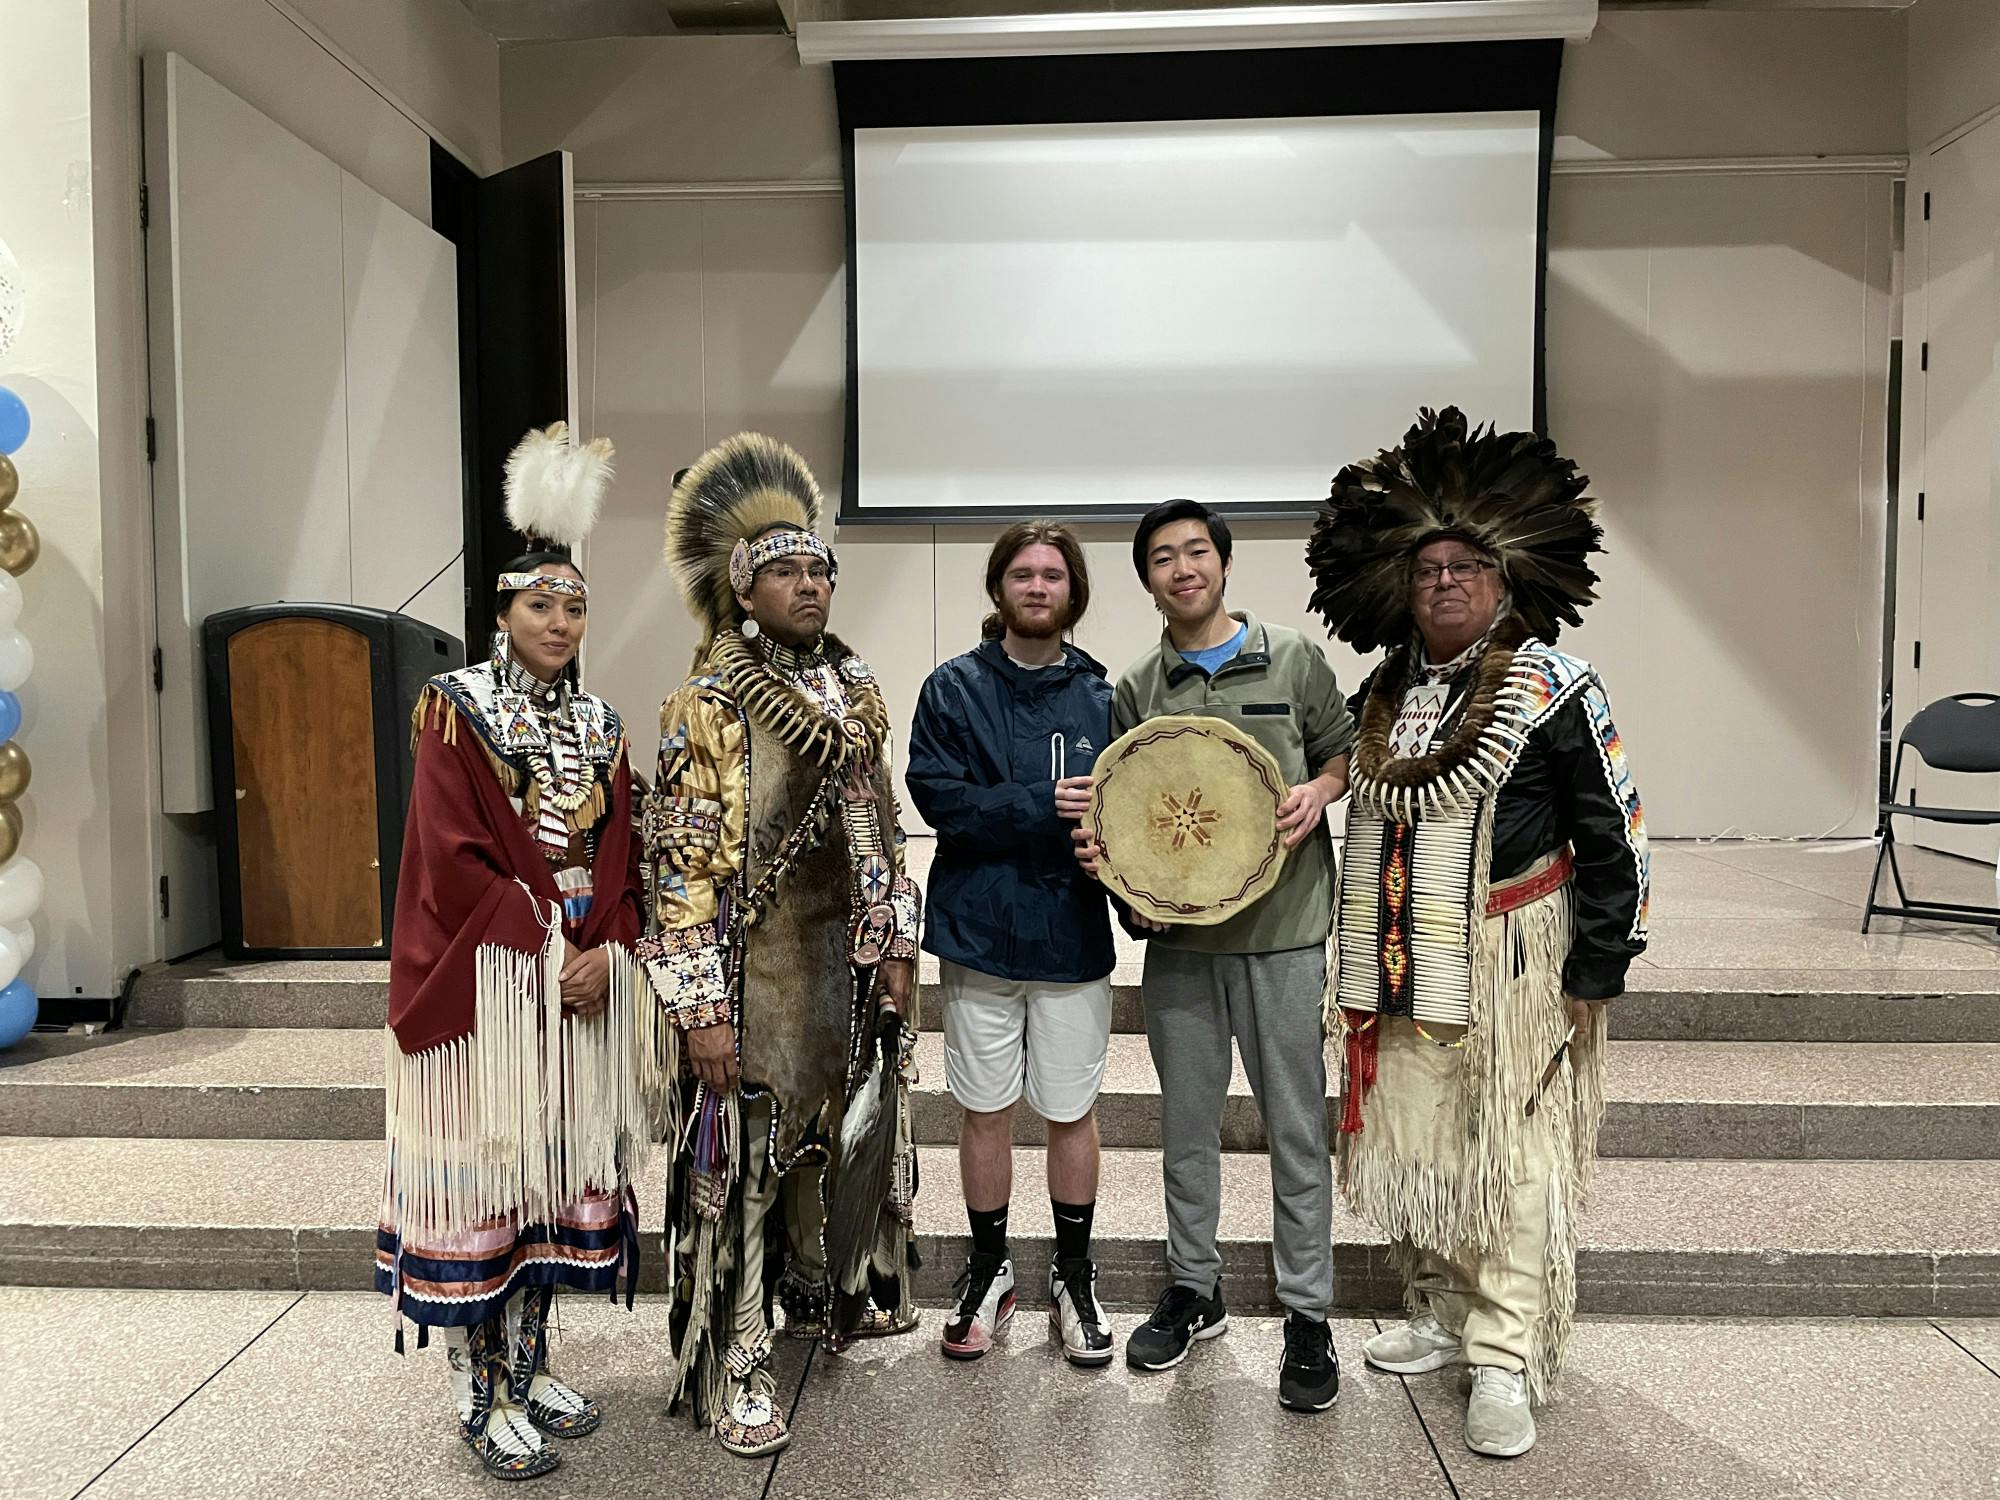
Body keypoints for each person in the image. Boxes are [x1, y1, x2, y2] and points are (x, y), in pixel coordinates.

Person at [1308, 407, 1649, 1459]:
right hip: (1399, 959)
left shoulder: (1554, 687)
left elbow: (1615, 835)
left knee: (1510, 1157)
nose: (1444, 583)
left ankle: (1501, 1356)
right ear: (1399, 588)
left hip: (1512, 966)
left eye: (1466, 567)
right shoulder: (1385, 693)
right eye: (1426, 570)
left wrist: (1595, 964)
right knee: (1416, 1143)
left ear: (1505, 584)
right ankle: (1439, 1310)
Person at [378, 424, 665, 1481]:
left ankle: (531, 1359)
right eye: (539, 604)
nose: (559, 620)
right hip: (486, 986)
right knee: (484, 1186)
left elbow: (624, 859)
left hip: (575, 977)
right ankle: (475, 1386)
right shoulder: (458, 711)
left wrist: (611, 950)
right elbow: (448, 862)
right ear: (499, 613)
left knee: (548, 1181)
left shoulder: (602, 722)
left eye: (575, 605)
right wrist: (551, 953)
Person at [641, 433, 922, 1458]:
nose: (809, 585)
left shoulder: (852, 697)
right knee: (747, 1162)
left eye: (819, 569)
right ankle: (739, 1353)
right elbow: (676, 873)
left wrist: (894, 945)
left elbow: (880, 830)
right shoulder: (707, 707)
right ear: (742, 591)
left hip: (838, 972)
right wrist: (700, 1009)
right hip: (750, 970)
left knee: (824, 1140)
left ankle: (817, 1288)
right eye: (786, 572)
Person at [1073, 498, 1352, 1413]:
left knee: (1296, 1129)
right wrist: (1117, 872)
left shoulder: (1295, 657)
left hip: (1286, 936)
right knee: (1187, 1130)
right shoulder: (1136, 686)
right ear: (1147, 579)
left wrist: (1317, 790)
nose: (1182, 568)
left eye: (1197, 551)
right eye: (1162, 556)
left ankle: (1308, 1315)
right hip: (1183, 949)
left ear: (1224, 564)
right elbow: (1131, 812)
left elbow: (1345, 754)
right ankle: (1196, 1289)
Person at [907, 521, 1117, 1368]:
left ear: (1073, 591)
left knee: (1072, 1111)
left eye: (1053, 575)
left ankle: (1074, 1275)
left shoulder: (1108, 697)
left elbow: (1130, 817)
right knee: (984, 1108)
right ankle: (989, 1267)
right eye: (1023, 574)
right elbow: (939, 799)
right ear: (999, 589)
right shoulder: (952, 688)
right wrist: (1040, 806)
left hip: (1071, 933)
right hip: (980, 934)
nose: (1038, 586)